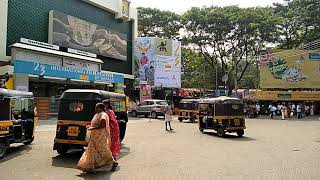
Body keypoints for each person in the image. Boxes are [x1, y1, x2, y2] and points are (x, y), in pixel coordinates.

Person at [76, 103, 118, 173]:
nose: (95, 109)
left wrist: (92, 128)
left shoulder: (103, 115)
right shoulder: (96, 115)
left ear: (100, 108)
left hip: (100, 137)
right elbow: (95, 124)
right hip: (94, 137)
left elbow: (102, 125)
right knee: (91, 151)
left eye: (96, 107)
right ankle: (90, 167)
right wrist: (90, 126)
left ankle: (114, 163)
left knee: (103, 151)